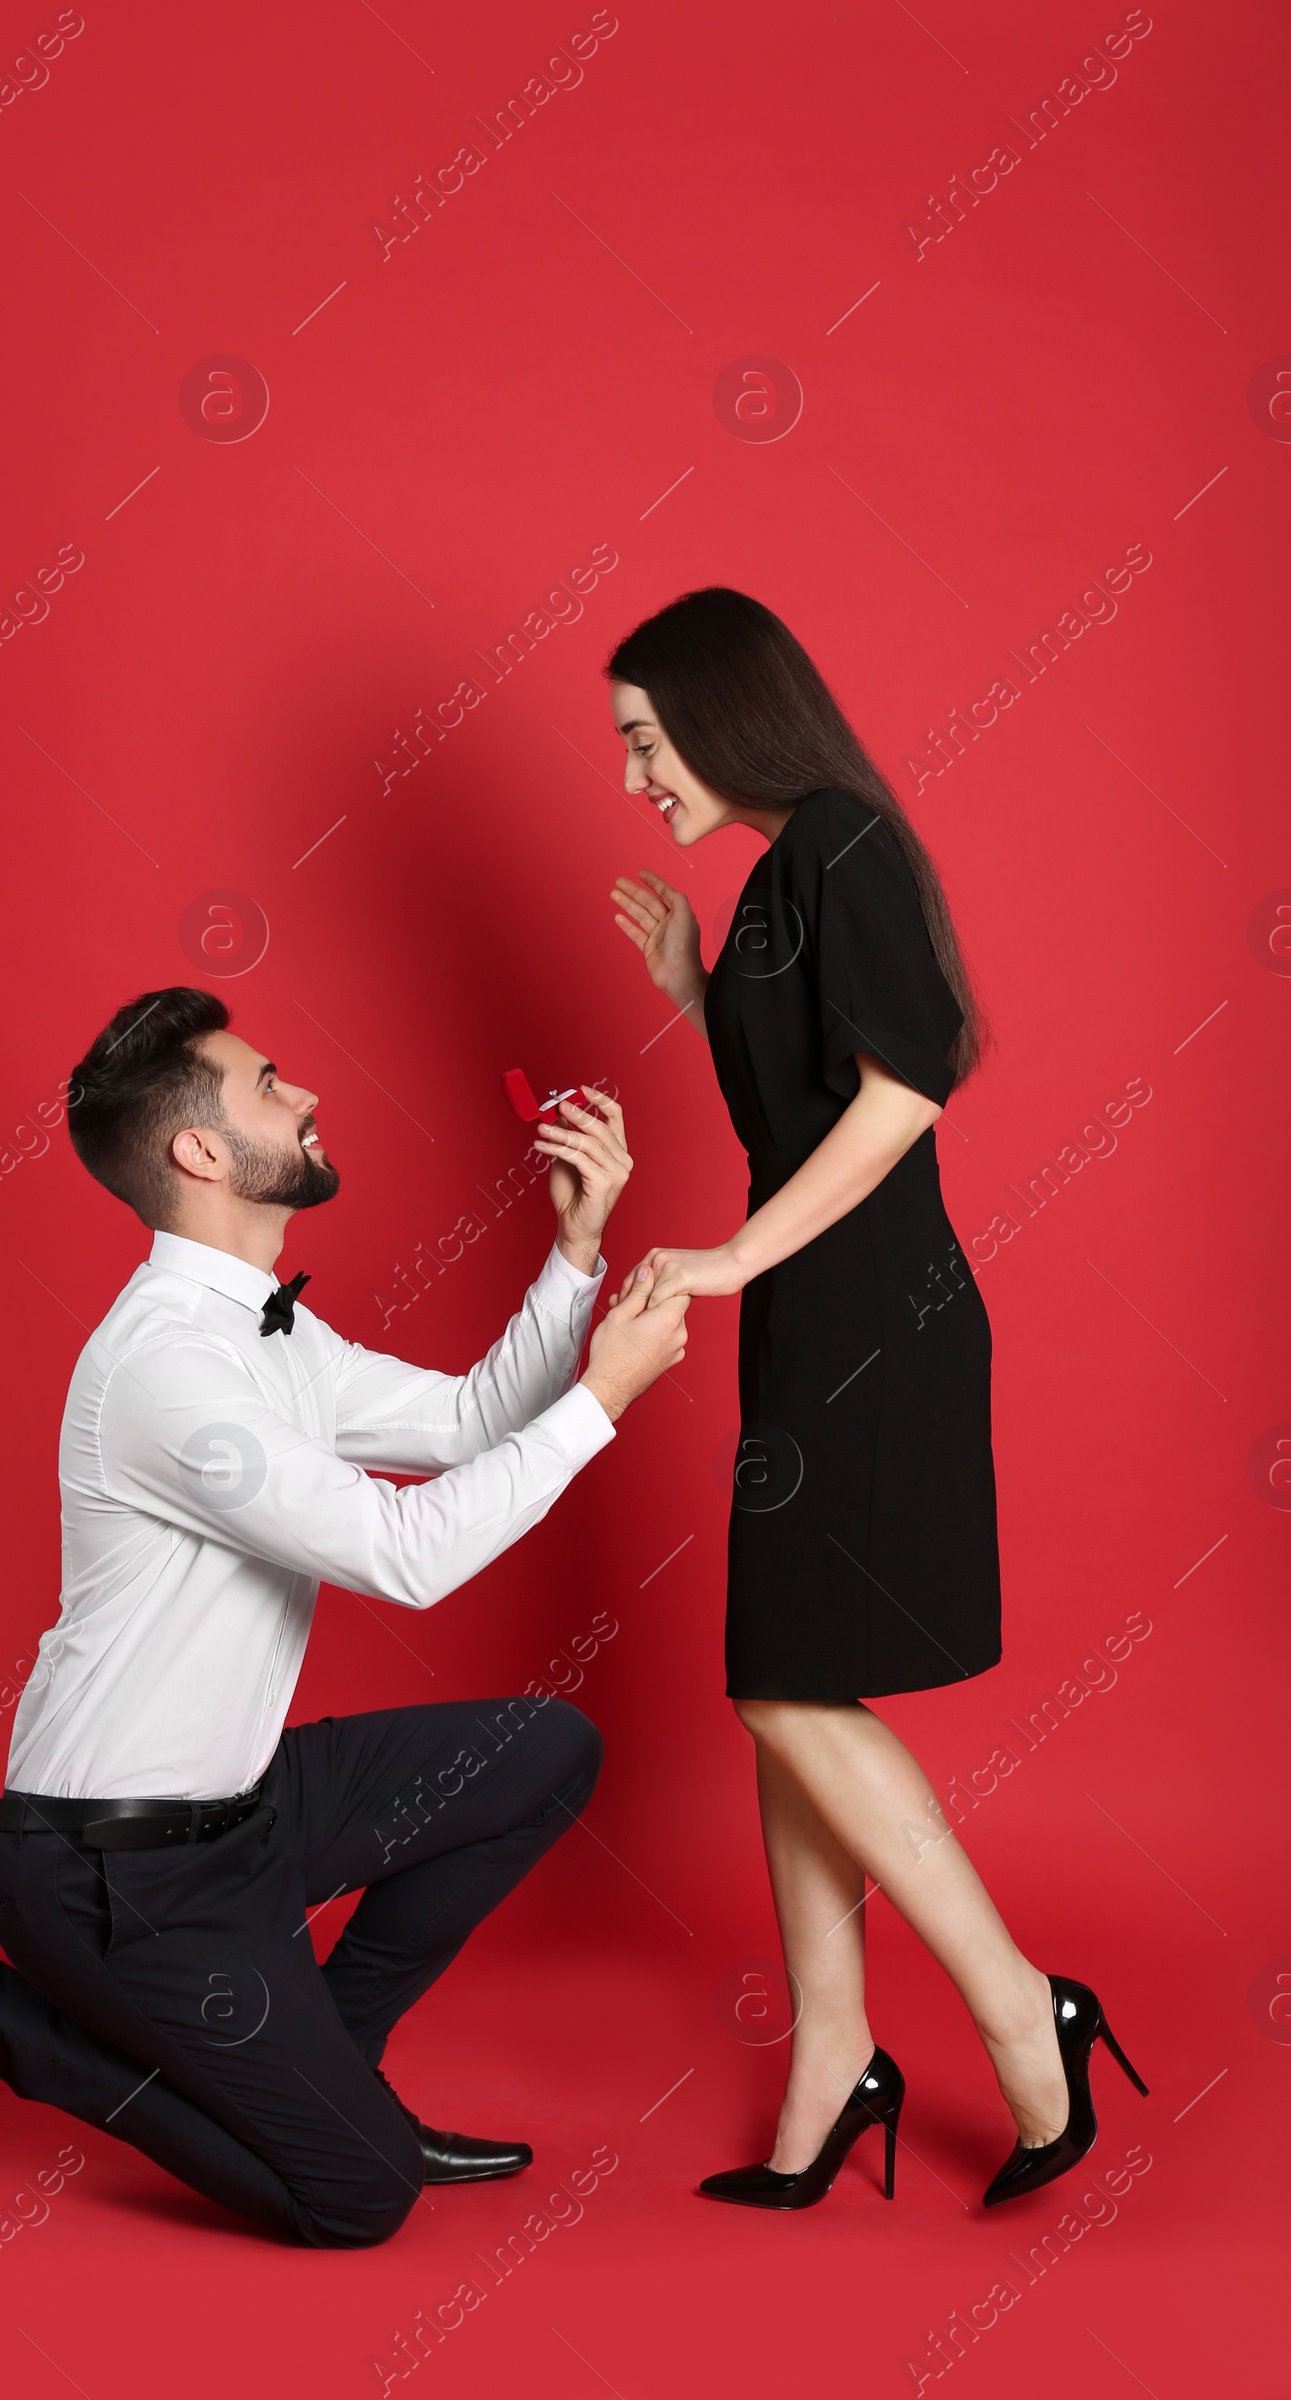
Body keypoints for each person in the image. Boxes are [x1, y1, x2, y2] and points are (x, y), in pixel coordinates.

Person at [0, 987, 688, 2247]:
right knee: (356, 2198)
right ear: (198, 1153)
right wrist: (604, 1400)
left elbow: (465, 1425)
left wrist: (575, 1256)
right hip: (112, 1870)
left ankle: (332, 2062)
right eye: (268, 1084)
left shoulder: (265, 1331)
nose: (304, 1097)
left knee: (546, 1751)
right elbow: (408, 1556)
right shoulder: (167, 1369)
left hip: (241, 1813)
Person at [603, 588, 1146, 2211]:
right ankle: (833, 2050)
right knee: (787, 1678)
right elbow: (796, 1108)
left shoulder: (842, 842)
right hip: (807, 1316)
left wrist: (715, 1260)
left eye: (645, 740)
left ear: (724, 711)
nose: (634, 778)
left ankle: (1021, 2008)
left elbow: (904, 1094)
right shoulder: (781, 875)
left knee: (785, 1693)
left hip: (873, 1327)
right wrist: (700, 989)